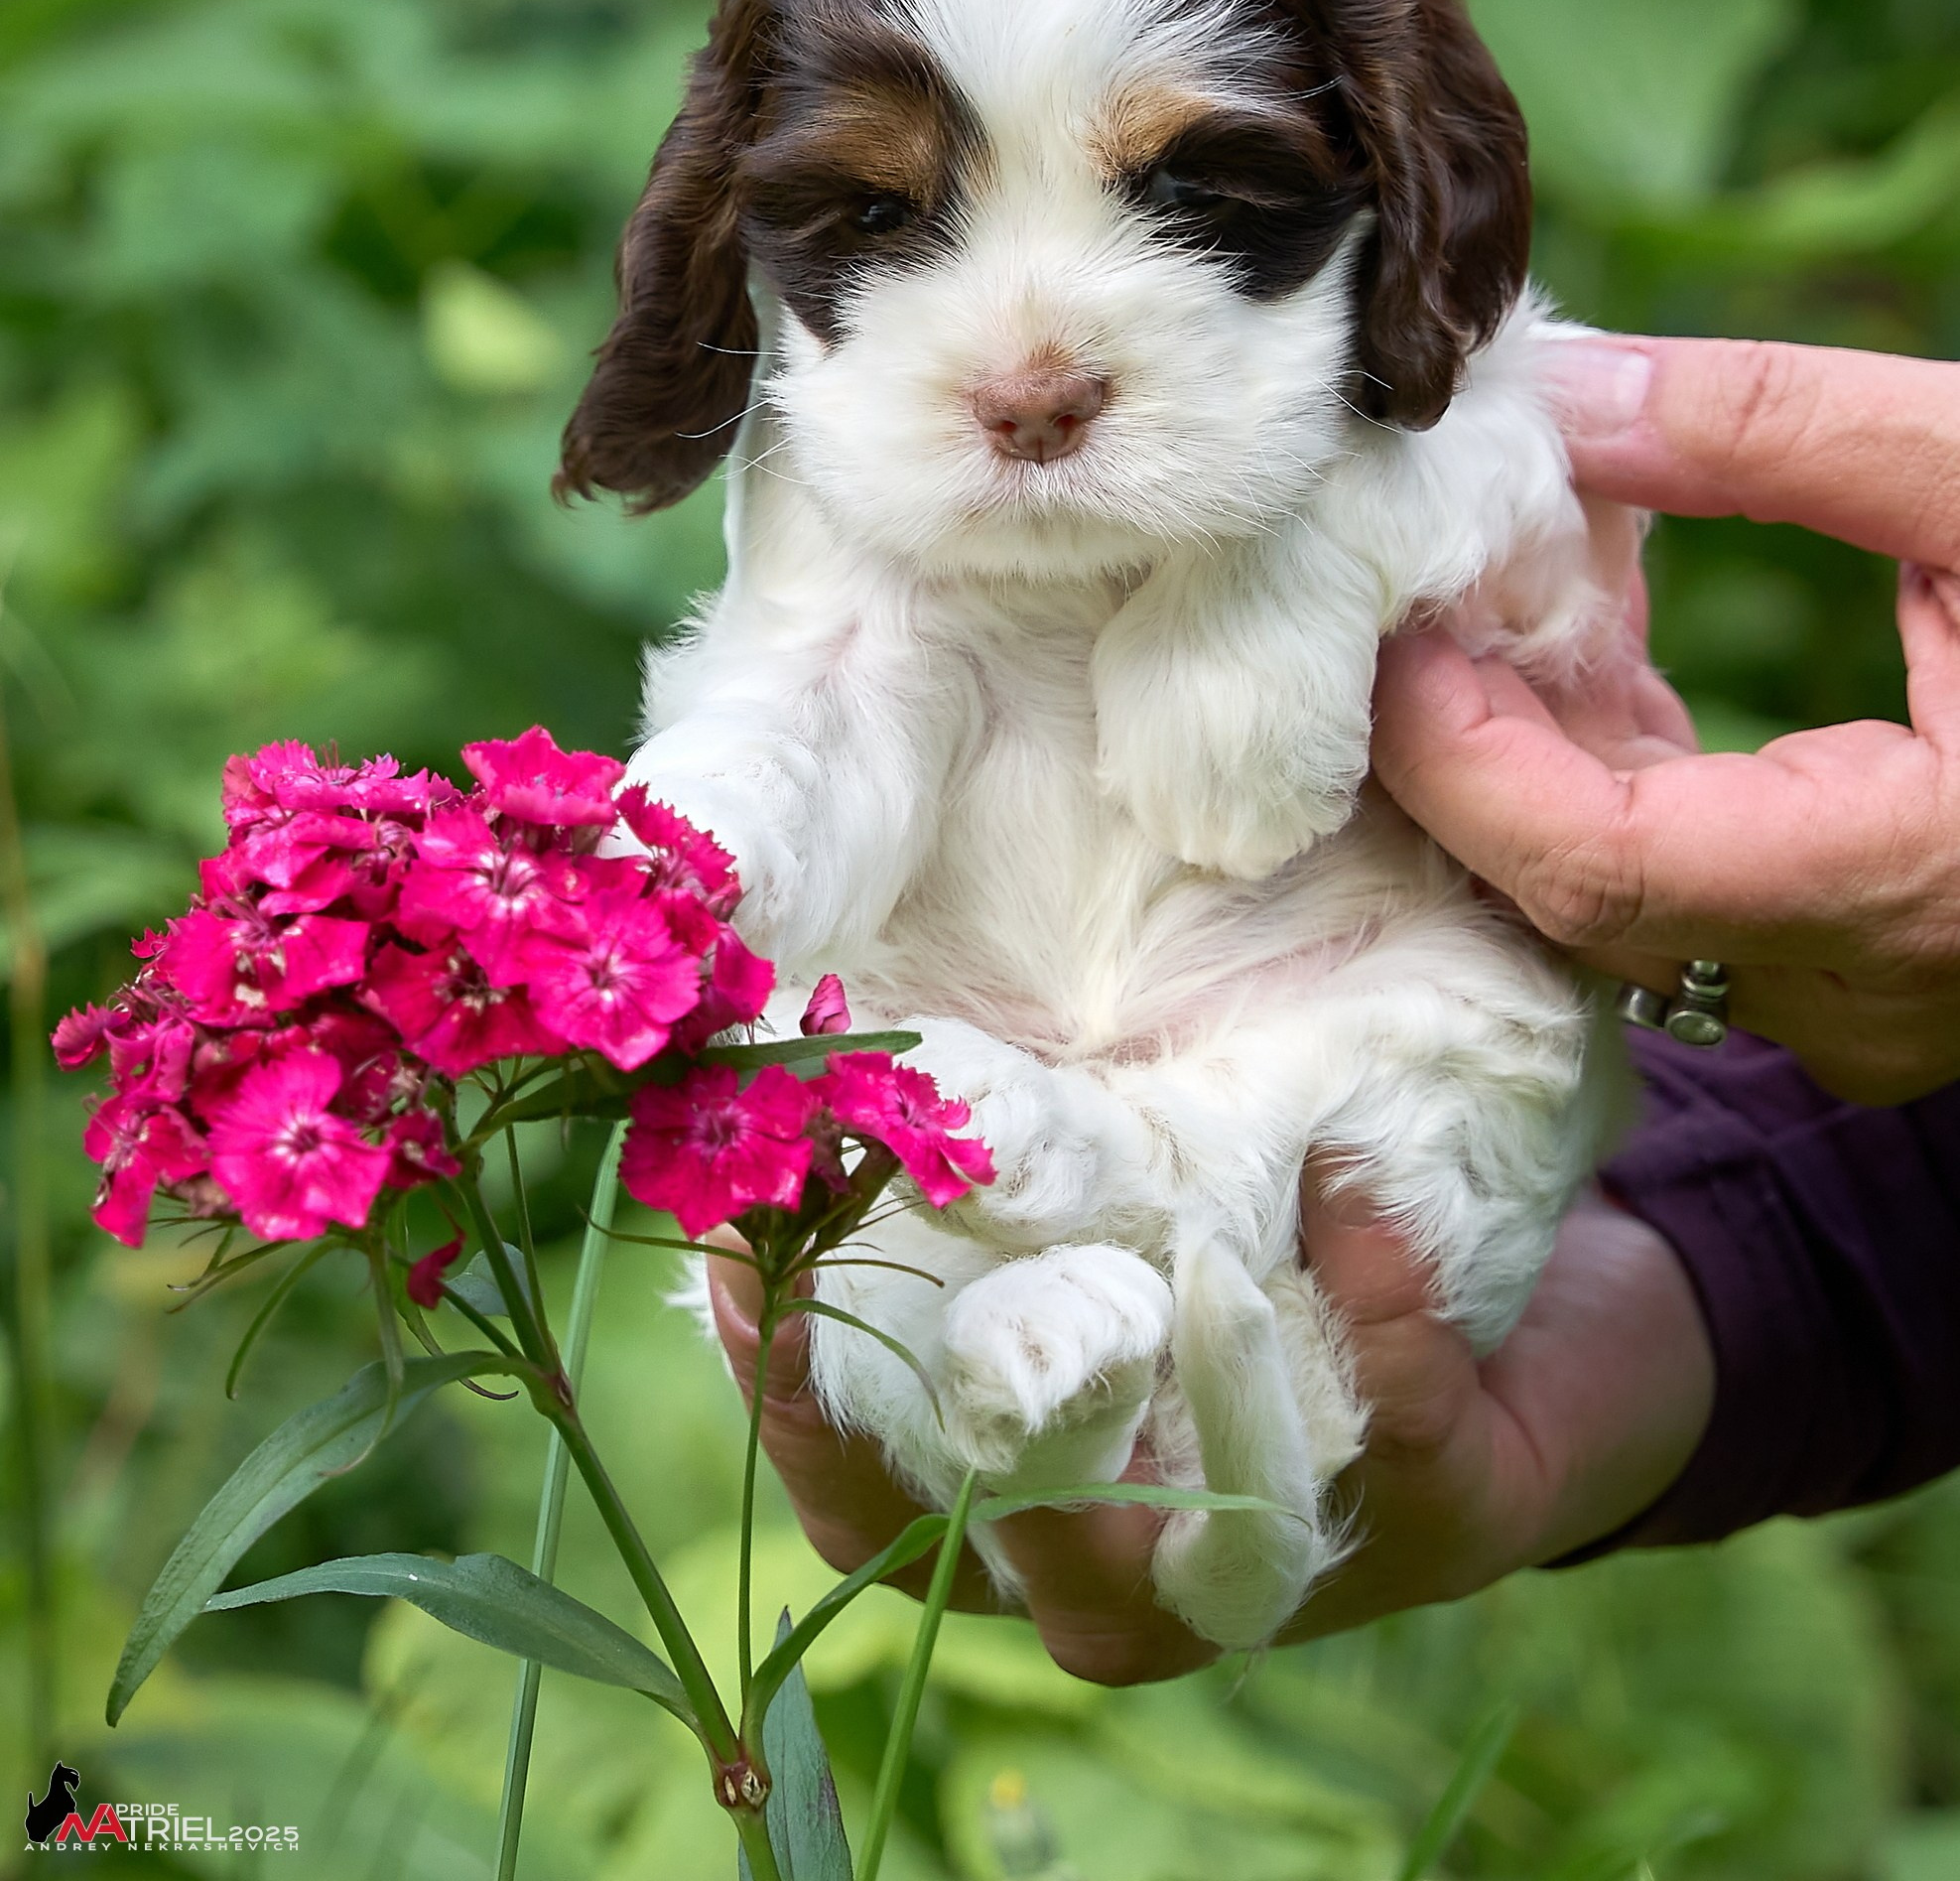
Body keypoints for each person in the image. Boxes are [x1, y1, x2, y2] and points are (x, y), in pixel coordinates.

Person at [709, 335, 1960, 1684]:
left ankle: (1087, 1298)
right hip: (1003, 1112)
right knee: (844, 1220)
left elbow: (1509, 479)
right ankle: (1040, 1372)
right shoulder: (842, 447)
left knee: (1414, 1062)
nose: (1028, 370)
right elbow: (796, 748)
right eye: (889, 226)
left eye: (1196, 204)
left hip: (1315, 1079)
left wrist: (1306, 556)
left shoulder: (1421, 381)